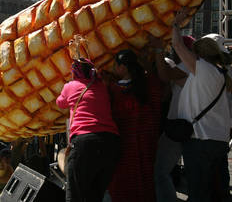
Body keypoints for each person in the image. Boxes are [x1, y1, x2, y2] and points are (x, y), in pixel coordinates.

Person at [171, 9, 232, 202]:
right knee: (217, 190)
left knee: (198, 191)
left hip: (200, 139)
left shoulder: (202, 68)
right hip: (219, 140)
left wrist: (176, 24)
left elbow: (177, 45)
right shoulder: (222, 74)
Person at [56, 55, 120, 202]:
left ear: (74, 72)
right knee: (95, 196)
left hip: (85, 142)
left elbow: (60, 103)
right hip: (111, 142)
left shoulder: (70, 86)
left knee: (75, 195)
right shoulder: (101, 85)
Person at [107, 49, 163, 202]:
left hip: (123, 148)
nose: (113, 69)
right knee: (145, 184)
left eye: (115, 65)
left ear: (123, 67)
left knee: (123, 187)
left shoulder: (113, 90)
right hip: (146, 146)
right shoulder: (148, 84)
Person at [151, 35, 195, 202]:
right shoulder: (201, 67)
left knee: (160, 172)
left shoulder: (188, 66)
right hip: (189, 127)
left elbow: (163, 76)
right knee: (194, 174)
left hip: (180, 126)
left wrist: (158, 50)